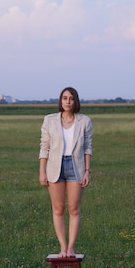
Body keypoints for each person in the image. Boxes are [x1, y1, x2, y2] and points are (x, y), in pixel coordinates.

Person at [39, 87, 93, 258]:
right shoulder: (49, 120)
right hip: (55, 167)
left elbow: (87, 148)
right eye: (64, 98)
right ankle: (62, 248)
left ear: (75, 101)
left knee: (74, 208)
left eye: (71, 98)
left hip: (75, 166)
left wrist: (87, 171)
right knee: (58, 208)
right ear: (60, 101)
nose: (68, 101)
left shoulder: (84, 121)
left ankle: (71, 248)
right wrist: (42, 171)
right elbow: (44, 147)